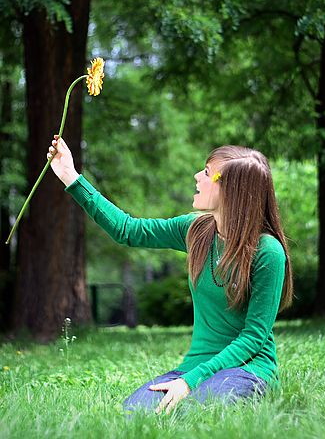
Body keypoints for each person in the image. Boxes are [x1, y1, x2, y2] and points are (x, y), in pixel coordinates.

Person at [47, 135, 294, 414]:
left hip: (247, 369)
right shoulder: (196, 230)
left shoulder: (267, 252)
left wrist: (189, 383)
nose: (197, 176)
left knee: (197, 411)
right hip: (195, 365)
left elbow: (253, 338)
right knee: (135, 412)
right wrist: (70, 175)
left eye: (207, 173)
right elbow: (127, 230)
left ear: (232, 190)